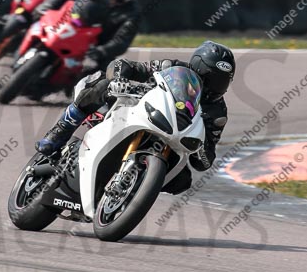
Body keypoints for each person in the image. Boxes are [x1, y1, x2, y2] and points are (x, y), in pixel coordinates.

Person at [35, 40, 235, 195]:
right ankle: (59, 132)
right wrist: (120, 80)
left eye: (223, 80)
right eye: (212, 77)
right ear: (198, 67)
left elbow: (206, 159)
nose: (215, 85)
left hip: (170, 139)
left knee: (183, 181)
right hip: (135, 110)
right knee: (102, 83)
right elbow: (128, 65)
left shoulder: (218, 112)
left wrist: (201, 148)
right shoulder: (171, 68)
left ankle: (135, 190)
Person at [38, 0, 142, 75]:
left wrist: (103, 50)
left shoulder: (133, 11)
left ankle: (74, 88)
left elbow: (122, 41)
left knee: (107, 73)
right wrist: (47, 7)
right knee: (39, 22)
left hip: (97, 46)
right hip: (74, 27)